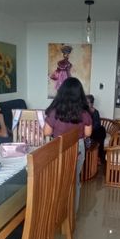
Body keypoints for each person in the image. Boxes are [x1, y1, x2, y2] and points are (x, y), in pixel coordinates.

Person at [43, 77, 92, 213]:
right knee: (74, 180)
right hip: (78, 148)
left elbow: (47, 132)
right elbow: (88, 133)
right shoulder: (84, 113)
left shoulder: (54, 111)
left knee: (57, 180)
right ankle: (72, 214)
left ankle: (58, 212)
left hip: (58, 147)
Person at [85, 94, 107, 164]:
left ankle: (98, 157)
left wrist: (90, 129)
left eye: (88, 102)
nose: (86, 104)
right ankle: (90, 158)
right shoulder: (83, 112)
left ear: (92, 103)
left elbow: (97, 125)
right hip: (86, 130)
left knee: (101, 131)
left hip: (94, 130)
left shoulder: (95, 112)